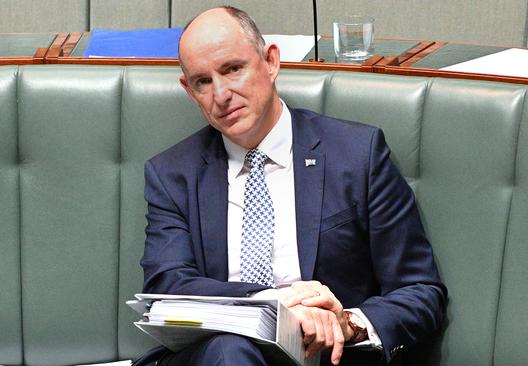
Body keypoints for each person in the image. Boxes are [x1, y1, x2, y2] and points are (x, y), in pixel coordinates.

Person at [138, 6, 446, 366]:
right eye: (202, 82)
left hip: (326, 358)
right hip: (218, 357)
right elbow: (166, 286)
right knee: (232, 350)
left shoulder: (357, 155)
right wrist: (276, 303)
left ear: (270, 62)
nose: (220, 94)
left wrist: (348, 324)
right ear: (189, 91)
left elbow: (419, 291)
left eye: (232, 69)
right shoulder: (173, 174)